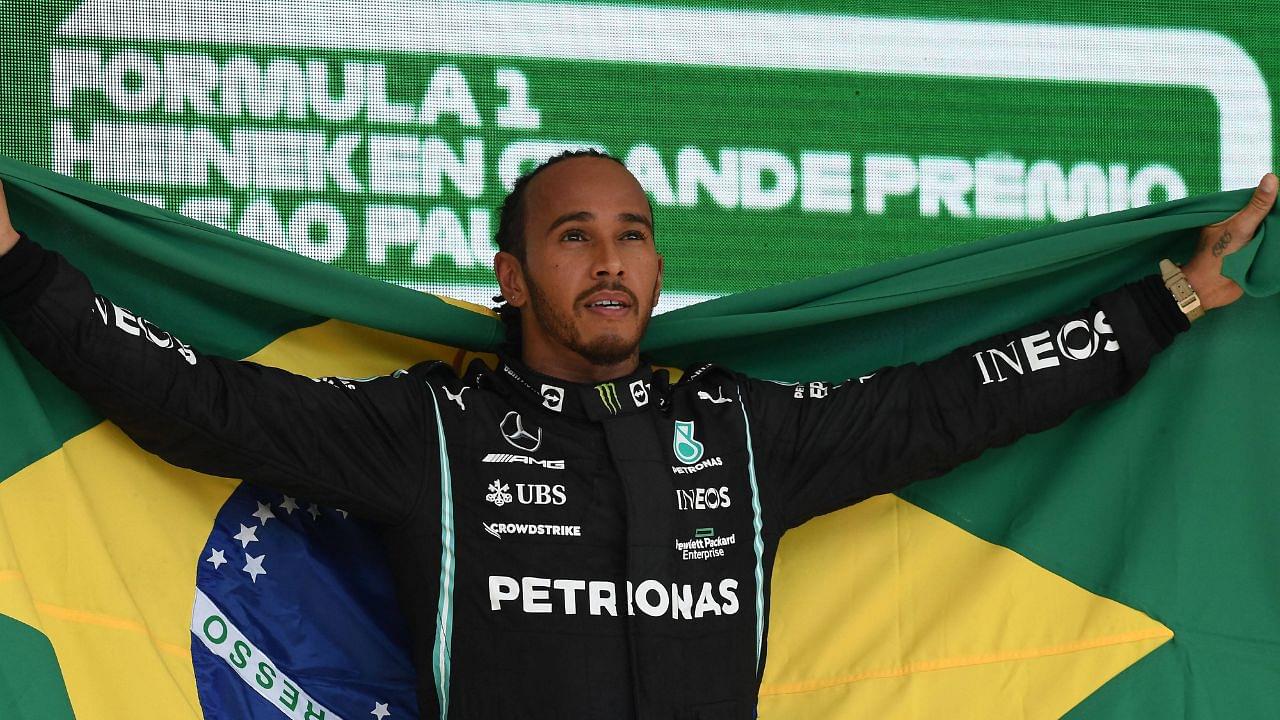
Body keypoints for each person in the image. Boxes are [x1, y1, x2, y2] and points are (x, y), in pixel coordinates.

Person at [0, 150, 1273, 719]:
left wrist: (1159, 303)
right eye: (572, 237)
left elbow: (959, 397)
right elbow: (201, 404)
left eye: (632, 235)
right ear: (509, 276)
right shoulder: (430, 429)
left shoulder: (737, 432)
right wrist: (16, 271)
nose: (610, 262)